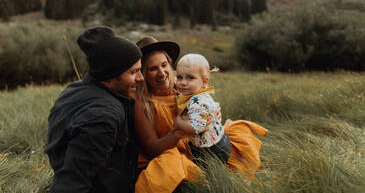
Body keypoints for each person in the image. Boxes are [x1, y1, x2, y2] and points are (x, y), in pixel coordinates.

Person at [134, 36, 268, 193]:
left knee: (238, 138)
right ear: (143, 73)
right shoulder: (142, 102)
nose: (161, 72)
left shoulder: (180, 89)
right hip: (170, 153)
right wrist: (178, 131)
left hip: (198, 146)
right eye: (153, 68)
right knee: (172, 171)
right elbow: (151, 148)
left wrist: (213, 113)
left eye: (164, 65)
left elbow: (201, 104)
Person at [45, 26, 144, 193]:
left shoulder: (76, 88)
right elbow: (72, 183)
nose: (141, 78)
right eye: (133, 72)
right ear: (111, 74)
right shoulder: (102, 118)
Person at [175, 53, 231, 165]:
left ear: (204, 81)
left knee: (204, 172)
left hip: (210, 149)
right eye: (179, 77)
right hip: (220, 140)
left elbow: (198, 126)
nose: (183, 82)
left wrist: (178, 123)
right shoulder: (201, 93)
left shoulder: (196, 102)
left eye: (190, 78)